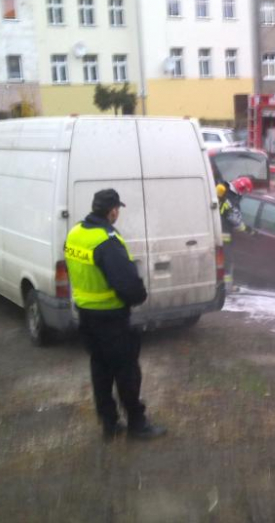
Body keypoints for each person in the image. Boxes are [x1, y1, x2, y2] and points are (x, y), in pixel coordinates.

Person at [64, 189, 166, 441]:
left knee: (100, 370)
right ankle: (137, 424)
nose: (117, 213)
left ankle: (109, 423)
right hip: (111, 319)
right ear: (111, 211)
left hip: (86, 317)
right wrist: (138, 296)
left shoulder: (76, 233)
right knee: (127, 372)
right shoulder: (106, 240)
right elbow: (127, 283)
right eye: (117, 209)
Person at [217, 176, 254, 289]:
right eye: (244, 192)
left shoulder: (223, 188)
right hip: (224, 235)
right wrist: (249, 231)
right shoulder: (231, 200)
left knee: (219, 261)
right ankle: (227, 287)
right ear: (241, 188)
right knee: (228, 261)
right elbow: (236, 221)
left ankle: (222, 284)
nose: (244, 195)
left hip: (214, 229)